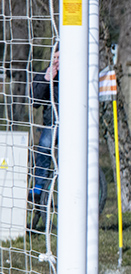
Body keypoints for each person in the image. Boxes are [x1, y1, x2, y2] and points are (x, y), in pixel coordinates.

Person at [29, 46, 59, 223]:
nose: (56, 60)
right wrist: (47, 79)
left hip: (71, 126)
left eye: (60, 57)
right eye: (54, 56)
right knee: (45, 144)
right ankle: (38, 185)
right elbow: (34, 102)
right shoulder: (45, 74)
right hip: (52, 123)